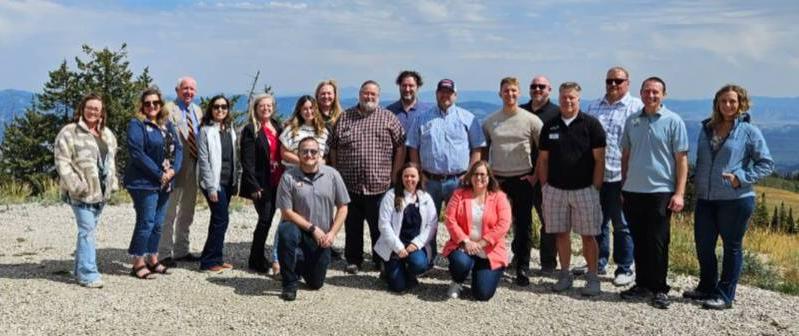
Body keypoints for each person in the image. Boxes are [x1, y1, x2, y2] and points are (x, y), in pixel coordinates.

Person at [685, 84, 774, 310]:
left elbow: (766, 163)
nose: (728, 105)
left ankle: (725, 295)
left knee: (731, 247)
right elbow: (704, 160)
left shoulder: (749, 131)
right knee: (704, 246)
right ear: (717, 103)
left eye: (732, 101)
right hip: (706, 198)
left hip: (736, 199)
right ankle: (706, 287)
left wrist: (741, 177)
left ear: (741, 103)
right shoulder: (707, 128)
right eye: (723, 101)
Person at [618, 77, 689, 309]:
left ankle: (659, 288)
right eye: (647, 91)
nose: (651, 96)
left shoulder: (673, 121)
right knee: (639, 240)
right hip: (633, 191)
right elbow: (626, 155)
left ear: (664, 95)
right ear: (640, 93)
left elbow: (681, 160)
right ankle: (642, 284)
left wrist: (679, 193)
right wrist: (623, 184)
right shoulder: (632, 120)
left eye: (656, 92)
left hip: (660, 191)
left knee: (658, 241)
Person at [406, 78, 485, 267]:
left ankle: (458, 261)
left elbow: (477, 148)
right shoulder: (421, 118)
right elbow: (413, 148)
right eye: (442, 92)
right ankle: (428, 259)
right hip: (429, 179)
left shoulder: (468, 118)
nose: (445, 95)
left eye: (449, 92)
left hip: (458, 181)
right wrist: (419, 175)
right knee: (426, 221)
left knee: (460, 222)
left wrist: (470, 176)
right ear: (436, 94)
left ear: (455, 95)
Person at [329, 80, 406, 274]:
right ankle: (353, 260)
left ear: (378, 97)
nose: (369, 97)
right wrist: (336, 173)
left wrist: (395, 174)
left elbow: (400, 147)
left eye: (373, 94)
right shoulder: (345, 117)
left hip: (379, 184)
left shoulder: (388, 117)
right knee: (352, 225)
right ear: (359, 95)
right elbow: (334, 147)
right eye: (366, 94)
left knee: (379, 226)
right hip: (349, 184)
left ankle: (379, 259)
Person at [538, 82, 606, 296]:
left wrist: (595, 187)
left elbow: (599, 160)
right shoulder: (550, 125)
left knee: (589, 235)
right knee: (561, 234)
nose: (568, 101)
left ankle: (593, 277)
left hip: (585, 189)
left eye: (572, 98)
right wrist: (545, 186)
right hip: (555, 190)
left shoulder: (592, 125)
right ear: (559, 98)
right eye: (564, 97)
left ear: (579, 99)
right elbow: (543, 160)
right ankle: (565, 273)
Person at [583, 66, 643, 286]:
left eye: (618, 81)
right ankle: (598, 262)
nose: (613, 85)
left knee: (621, 223)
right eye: (609, 81)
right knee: (598, 222)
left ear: (628, 82)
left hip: (621, 175)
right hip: (596, 174)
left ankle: (625, 266)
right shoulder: (593, 106)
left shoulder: (636, 107)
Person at [482, 77, 543, 286]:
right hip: (498, 180)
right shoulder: (490, 121)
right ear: (500, 94)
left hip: (523, 178)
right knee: (495, 225)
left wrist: (536, 175)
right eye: (506, 91)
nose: (510, 94)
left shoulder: (531, 120)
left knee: (523, 225)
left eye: (514, 91)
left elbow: (544, 152)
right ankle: (494, 261)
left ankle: (522, 266)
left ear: (519, 93)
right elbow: (483, 151)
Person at [54, 93, 119, 288]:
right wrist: (76, 185)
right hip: (81, 193)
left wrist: (113, 183)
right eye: (89, 108)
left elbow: (111, 162)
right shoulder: (69, 132)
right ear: (82, 109)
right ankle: (88, 274)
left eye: (96, 109)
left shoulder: (107, 134)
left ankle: (79, 269)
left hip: (100, 193)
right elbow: (62, 162)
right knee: (87, 232)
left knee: (87, 231)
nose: (92, 111)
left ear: (101, 113)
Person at [276, 137, 350, 301]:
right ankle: (289, 283)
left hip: (322, 237)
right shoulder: (288, 177)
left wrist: (332, 234)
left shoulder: (332, 174)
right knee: (285, 231)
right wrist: (312, 228)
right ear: (298, 154)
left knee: (315, 284)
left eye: (313, 151)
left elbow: (343, 207)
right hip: (298, 229)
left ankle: (298, 262)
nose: (309, 154)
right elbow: (287, 212)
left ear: (319, 154)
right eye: (305, 151)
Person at [124, 88, 183, 279]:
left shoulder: (167, 124)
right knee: (146, 222)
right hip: (144, 182)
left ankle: (153, 258)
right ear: (142, 105)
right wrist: (159, 174)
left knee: (158, 224)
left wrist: (173, 171)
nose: (152, 106)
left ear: (161, 105)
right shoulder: (137, 124)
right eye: (147, 103)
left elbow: (179, 148)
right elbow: (137, 153)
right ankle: (138, 263)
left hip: (166, 182)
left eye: (155, 103)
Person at [442, 161, 511, 301]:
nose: (479, 178)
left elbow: (503, 224)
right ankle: (457, 281)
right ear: (470, 176)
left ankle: (481, 273)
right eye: (475, 174)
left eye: (483, 174)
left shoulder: (499, 197)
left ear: (489, 177)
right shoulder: (459, 194)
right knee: (460, 262)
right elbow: (450, 219)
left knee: (482, 295)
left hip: (489, 251)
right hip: (463, 247)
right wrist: (466, 241)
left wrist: (481, 243)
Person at [519, 75, 561, 275]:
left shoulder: (557, 113)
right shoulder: (520, 111)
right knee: (520, 220)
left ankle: (548, 263)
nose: (537, 89)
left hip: (548, 177)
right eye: (534, 86)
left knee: (548, 221)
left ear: (549, 89)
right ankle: (520, 260)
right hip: (520, 175)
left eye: (541, 86)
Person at [374, 162, 438, 292]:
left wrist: (417, 243)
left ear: (419, 177)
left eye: (413, 176)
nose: (409, 179)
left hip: (414, 246)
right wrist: (398, 247)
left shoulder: (425, 198)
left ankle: (409, 273)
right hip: (394, 247)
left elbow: (432, 224)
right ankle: (388, 269)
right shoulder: (391, 196)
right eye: (406, 176)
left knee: (419, 264)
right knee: (398, 288)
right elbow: (384, 224)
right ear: (401, 178)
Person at [160, 76, 203, 267]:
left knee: (187, 211)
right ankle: (164, 253)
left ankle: (182, 250)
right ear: (177, 90)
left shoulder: (197, 110)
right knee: (169, 212)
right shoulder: (169, 110)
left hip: (194, 168)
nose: (189, 92)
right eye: (185, 88)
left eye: (192, 89)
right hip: (175, 168)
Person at [240, 93, 284, 273]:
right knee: (265, 219)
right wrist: (254, 186)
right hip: (262, 183)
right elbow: (247, 161)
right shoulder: (252, 129)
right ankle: (255, 259)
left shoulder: (276, 126)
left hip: (278, 181)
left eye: (269, 106)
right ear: (256, 108)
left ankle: (261, 256)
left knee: (271, 218)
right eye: (262, 106)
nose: (266, 109)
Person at [196, 95, 240, 273]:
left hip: (228, 181)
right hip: (213, 183)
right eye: (216, 107)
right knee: (221, 219)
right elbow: (204, 160)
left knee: (219, 220)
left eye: (224, 107)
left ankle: (217, 258)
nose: (220, 110)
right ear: (211, 109)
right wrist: (211, 187)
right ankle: (207, 262)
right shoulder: (205, 131)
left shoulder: (230, 130)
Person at [279, 95, 329, 166]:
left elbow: (326, 155)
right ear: (300, 111)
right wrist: (304, 163)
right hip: (295, 173)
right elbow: (284, 153)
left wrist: (323, 161)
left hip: (318, 173)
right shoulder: (291, 129)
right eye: (305, 109)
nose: (309, 111)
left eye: (311, 108)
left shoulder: (323, 131)